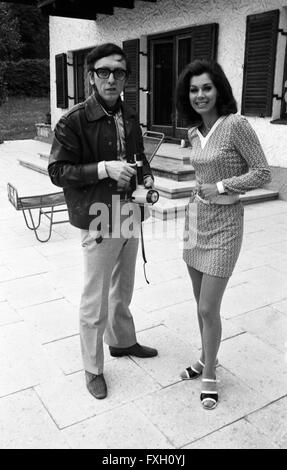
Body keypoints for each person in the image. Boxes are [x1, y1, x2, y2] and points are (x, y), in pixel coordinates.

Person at [48, 43, 158, 400]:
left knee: (122, 288)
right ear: (91, 77)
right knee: (95, 299)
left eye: (120, 72)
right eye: (104, 72)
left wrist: (148, 178)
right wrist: (103, 169)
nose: (112, 79)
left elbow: (140, 157)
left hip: (128, 211)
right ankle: (92, 368)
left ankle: (122, 342)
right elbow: (58, 171)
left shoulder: (128, 116)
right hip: (98, 215)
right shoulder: (73, 120)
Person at [176, 59, 271, 410]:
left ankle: (210, 374)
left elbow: (262, 173)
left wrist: (221, 185)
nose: (200, 95)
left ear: (219, 89)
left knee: (207, 306)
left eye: (206, 87)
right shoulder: (192, 132)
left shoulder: (236, 125)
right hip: (196, 221)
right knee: (199, 306)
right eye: (193, 89)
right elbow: (200, 176)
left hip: (226, 225)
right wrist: (199, 194)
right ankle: (203, 358)